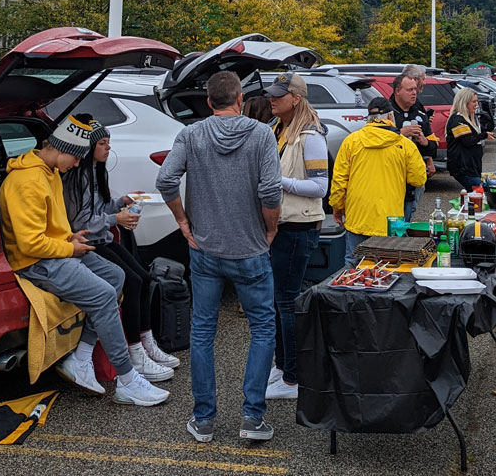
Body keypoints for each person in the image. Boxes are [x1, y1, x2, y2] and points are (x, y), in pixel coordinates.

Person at [0, 116, 169, 406]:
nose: (77, 165)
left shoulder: (48, 170)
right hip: (35, 261)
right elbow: (30, 244)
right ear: (60, 149)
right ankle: (127, 380)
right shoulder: (27, 182)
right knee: (103, 294)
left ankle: (81, 356)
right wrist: (69, 248)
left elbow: (54, 227)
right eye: (76, 158)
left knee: (116, 277)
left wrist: (70, 239)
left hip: (57, 250)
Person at [156, 70, 282, 443]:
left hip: (205, 249)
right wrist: (270, 228)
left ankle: (204, 418)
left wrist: (183, 221)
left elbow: (165, 180)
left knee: (203, 331)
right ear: (240, 98)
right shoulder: (261, 135)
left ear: (209, 102)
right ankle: (253, 418)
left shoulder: (192, 134)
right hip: (251, 250)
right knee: (262, 329)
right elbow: (271, 190)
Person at [62, 116, 179, 383]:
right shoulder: (78, 176)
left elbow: (97, 210)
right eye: (102, 143)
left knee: (146, 278)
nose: (108, 149)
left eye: (109, 143)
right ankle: (135, 351)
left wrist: (120, 202)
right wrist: (117, 219)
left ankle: (147, 343)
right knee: (131, 281)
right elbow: (80, 222)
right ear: (88, 147)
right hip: (89, 242)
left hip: (102, 238)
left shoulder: (96, 171)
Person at [261, 73, 328, 401]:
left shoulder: (310, 135)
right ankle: (282, 365)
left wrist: (278, 182)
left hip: (298, 227)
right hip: (282, 225)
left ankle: (292, 377)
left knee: (286, 302)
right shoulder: (279, 128)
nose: (271, 100)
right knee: (278, 301)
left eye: (278, 95)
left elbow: (320, 187)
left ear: (296, 99)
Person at [329, 96, 426, 260]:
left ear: (369, 118)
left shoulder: (351, 142)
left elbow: (339, 181)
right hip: (390, 221)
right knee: (388, 265)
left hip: (357, 218)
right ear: (390, 117)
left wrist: (337, 207)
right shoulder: (404, 144)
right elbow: (418, 179)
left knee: (354, 265)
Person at [389, 71, 438, 221]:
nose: (414, 93)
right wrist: (400, 133)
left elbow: (433, 148)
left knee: (409, 211)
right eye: (409, 90)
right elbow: (374, 138)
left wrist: (425, 143)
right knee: (393, 215)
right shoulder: (387, 112)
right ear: (397, 91)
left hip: (414, 174)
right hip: (392, 173)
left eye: (415, 89)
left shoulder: (420, 114)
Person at [446, 88, 496, 191]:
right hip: (464, 168)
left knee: (476, 195)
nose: (476, 104)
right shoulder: (457, 119)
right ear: (464, 102)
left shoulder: (469, 118)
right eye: (474, 101)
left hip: (472, 167)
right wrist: (483, 135)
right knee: (478, 192)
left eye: (477, 101)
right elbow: (467, 140)